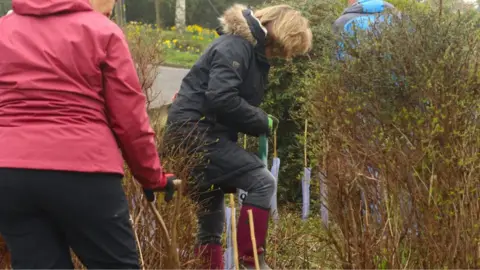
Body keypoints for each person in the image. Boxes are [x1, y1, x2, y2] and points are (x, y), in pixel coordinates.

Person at [0, 0, 176, 269]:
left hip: (10, 175)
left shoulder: (4, 30)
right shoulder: (101, 31)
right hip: (84, 172)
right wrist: (152, 177)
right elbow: (130, 119)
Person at [165, 4, 312, 269]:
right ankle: (253, 262)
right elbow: (221, 98)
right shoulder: (235, 48)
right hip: (196, 135)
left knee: (211, 219)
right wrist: (261, 120)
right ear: (275, 33)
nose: (277, 56)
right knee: (262, 182)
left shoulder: (246, 50)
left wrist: (257, 122)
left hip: (194, 134)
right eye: (279, 50)